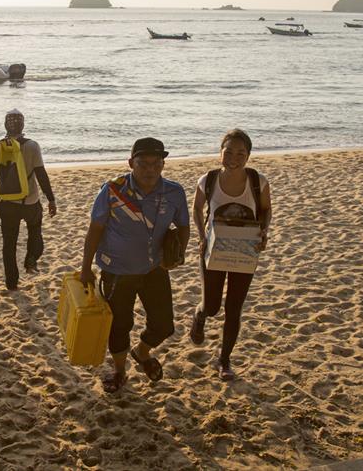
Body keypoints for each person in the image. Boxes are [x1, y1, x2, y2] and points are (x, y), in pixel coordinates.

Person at [80, 137, 189, 393]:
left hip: (155, 269)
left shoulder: (174, 192)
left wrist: (177, 254)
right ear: (131, 163)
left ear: (163, 165)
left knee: (164, 325)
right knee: (119, 326)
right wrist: (86, 268)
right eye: (143, 164)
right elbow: (95, 229)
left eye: (156, 163)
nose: (149, 169)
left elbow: (183, 226)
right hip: (117, 270)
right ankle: (119, 372)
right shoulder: (112, 190)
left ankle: (141, 352)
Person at [190, 129, 272, 381]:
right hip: (214, 250)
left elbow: (266, 210)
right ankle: (200, 315)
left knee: (234, 309)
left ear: (248, 156)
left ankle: (224, 361)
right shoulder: (209, 180)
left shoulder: (258, 181)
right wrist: (202, 237)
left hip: (245, 251)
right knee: (213, 306)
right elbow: (196, 209)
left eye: (240, 153)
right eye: (228, 151)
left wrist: (264, 231)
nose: (233, 157)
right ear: (220, 152)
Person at [0, 109, 56, 291]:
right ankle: (31, 260)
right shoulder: (32, 146)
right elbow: (41, 173)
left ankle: (11, 282)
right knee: (35, 231)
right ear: (23, 125)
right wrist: (50, 198)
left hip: (6, 203)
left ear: (5, 125)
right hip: (30, 201)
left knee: (9, 243)